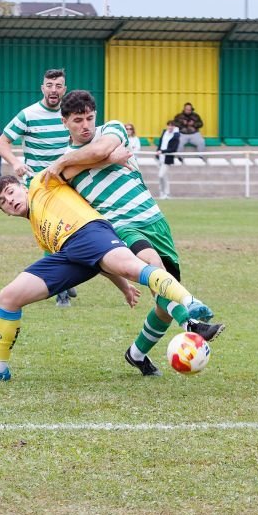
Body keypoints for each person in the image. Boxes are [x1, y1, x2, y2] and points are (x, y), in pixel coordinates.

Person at [0, 173, 224, 382]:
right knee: (8, 297)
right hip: (69, 253)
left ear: (22, 186)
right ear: (5, 213)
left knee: (136, 267)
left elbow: (71, 162)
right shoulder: (39, 231)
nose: (10, 201)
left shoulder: (42, 181)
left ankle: (189, 303)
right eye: (4, 203)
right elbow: (95, 263)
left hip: (87, 231)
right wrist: (123, 287)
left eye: (11, 192)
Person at [45, 91, 214, 375]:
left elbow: (98, 151)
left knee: (163, 302)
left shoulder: (112, 128)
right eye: (77, 120)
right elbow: (99, 155)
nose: (86, 125)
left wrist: (67, 162)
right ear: (65, 122)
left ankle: (136, 354)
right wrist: (105, 158)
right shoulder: (64, 162)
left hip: (155, 219)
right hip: (122, 225)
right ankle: (192, 322)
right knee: (155, 270)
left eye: (89, 118)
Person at [0, 69, 77, 305]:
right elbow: (2, 142)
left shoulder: (68, 115)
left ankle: (67, 281)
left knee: (70, 232)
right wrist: (16, 162)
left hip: (68, 185)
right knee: (52, 233)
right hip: (39, 186)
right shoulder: (28, 114)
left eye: (58, 85)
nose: (54, 89)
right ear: (42, 88)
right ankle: (60, 290)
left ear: (64, 89)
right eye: (49, 85)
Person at [155, 119, 180, 199]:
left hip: (167, 159)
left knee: (161, 175)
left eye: (172, 125)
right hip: (160, 158)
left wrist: (162, 151)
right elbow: (160, 143)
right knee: (164, 177)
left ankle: (163, 193)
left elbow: (173, 149)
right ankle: (166, 194)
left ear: (174, 127)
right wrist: (158, 152)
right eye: (169, 125)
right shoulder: (164, 132)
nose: (170, 127)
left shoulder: (176, 135)